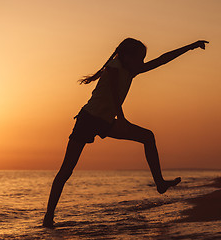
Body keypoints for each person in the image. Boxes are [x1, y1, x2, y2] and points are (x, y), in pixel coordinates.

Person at [43, 38, 209, 228]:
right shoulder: (114, 66)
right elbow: (114, 93)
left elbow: (162, 60)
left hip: (105, 122)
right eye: (139, 59)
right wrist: (121, 119)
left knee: (148, 137)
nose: (142, 63)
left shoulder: (131, 70)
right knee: (66, 170)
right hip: (87, 120)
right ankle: (48, 217)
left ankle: (160, 183)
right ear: (127, 57)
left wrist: (190, 46)